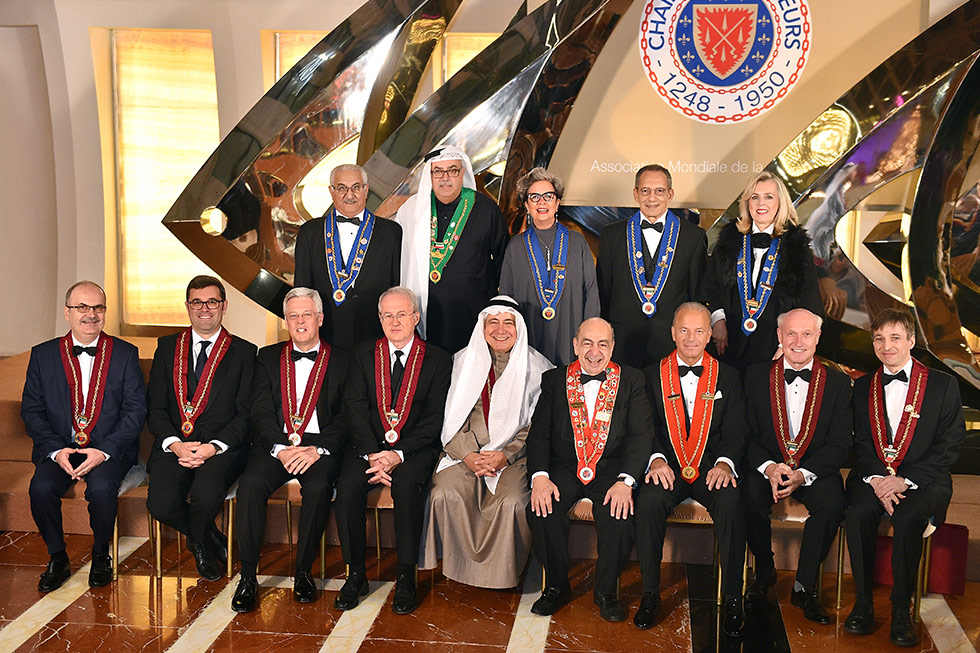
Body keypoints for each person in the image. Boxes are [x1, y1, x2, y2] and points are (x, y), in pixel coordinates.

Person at [843, 308, 965, 647]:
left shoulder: (943, 385)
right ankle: (863, 603)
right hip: (873, 477)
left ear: (911, 341)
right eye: (879, 339)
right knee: (858, 512)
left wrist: (904, 480)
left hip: (925, 480)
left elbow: (949, 444)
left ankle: (901, 608)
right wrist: (878, 480)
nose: (887, 346)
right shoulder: (862, 385)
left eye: (895, 338)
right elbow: (860, 442)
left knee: (909, 516)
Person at [526, 317, 655, 622]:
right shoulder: (554, 380)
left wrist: (626, 481)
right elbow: (539, 434)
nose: (594, 352)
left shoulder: (632, 380)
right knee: (541, 509)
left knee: (619, 514)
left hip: (612, 468)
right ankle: (556, 586)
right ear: (575, 345)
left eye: (602, 344)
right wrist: (540, 477)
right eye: (587, 343)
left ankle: (606, 592)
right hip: (566, 466)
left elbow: (641, 436)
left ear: (612, 347)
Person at [420, 295, 553, 588]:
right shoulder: (460, 362)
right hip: (463, 452)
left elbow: (539, 426)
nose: (500, 330)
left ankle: (503, 575)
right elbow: (447, 416)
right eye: (493, 322)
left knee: (512, 502)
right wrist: (468, 454)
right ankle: (456, 567)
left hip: (513, 457)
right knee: (445, 492)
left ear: (519, 328)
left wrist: (506, 454)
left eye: (508, 323)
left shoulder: (540, 368)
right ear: (482, 327)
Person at [21, 281, 146, 591]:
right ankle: (57, 557)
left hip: (107, 448)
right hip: (60, 447)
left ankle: (101, 554)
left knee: (102, 489)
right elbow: (32, 411)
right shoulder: (43, 355)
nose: (91, 314)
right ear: (67, 312)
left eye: (98, 307)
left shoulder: (125, 353)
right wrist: (55, 450)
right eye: (82, 307)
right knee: (40, 488)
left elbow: (135, 411)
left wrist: (103, 451)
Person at [334, 286, 452, 615]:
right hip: (368, 448)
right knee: (348, 486)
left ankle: (405, 577)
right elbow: (354, 406)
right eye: (387, 315)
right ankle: (355, 575)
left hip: (414, 450)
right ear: (379, 319)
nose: (395, 321)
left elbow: (435, 418)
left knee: (406, 485)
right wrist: (373, 453)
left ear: (416, 317)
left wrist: (397, 455)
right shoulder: (362, 354)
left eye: (401, 314)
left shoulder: (438, 359)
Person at [231, 287, 350, 612]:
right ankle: (248, 576)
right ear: (285, 321)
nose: (300, 322)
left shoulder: (343, 359)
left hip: (318, 446)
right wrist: (281, 449)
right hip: (277, 443)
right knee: (250, 484)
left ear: (320, 318)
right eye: (293, 316)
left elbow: (346, 416)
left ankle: (303, 572)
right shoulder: (267, 357)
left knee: (319, 487)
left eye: (306, 314)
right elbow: (260, 410)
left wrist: (318, 450)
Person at [634, 302, 747, 636]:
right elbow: (644, 428)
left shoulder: (730, 376)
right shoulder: (650, 374)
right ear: (673, 332)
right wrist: (655, 459)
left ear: (710, 334)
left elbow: (737, 431)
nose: (691, 338)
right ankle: (650, 594)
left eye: (699, 331)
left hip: (711, 469)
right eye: (684, 330)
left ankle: (732, 598)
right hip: (667, 467)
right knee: (649, 501)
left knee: (731, 503)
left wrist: (725, 464)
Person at [741, 308, 851, 623]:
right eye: (791, 333)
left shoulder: (838, 383)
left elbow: (840, 443)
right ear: (779, 336)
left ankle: (804, 585)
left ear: (818, 338)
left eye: (806, 334)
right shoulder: (755, 375)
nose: (798, 342)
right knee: (747, 495)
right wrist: (768, 467)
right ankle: (764, 571)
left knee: (832, 504)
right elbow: (743, 434)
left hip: (814, 469)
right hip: (768, 467)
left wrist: (803, 474)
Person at [146, 275, 256, 581]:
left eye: (212, 302)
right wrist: (175, 444)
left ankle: (199, 547)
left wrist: (212, 448)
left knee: (206, 496)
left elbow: (245, 415)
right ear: (187, 306)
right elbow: (156, 408)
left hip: (220, 448)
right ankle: (207, 538)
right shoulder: (167, 347)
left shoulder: (245, 352)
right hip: (175, 445)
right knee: (160, 504)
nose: (204, 308)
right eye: (197, 302)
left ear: (224, 306)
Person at [395, 146, 509, 354]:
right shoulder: (412, 211)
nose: (445, 178)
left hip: (474, 317)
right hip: (425, 317)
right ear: (429, 175)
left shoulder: (486, 210)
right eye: (438, 171)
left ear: (462, 172)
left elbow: (504, 262)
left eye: (452, 170)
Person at [707, 171, 823, 371]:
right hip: (727, 346)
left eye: (769, 197)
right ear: (747, 203)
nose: (761, 204)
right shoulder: (729, 240)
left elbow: (808, 303)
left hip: (773, 349)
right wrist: (717, 320)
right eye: (755, 197)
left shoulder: (797, 247)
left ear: (780, 202)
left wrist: (784, 346)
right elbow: (710, 287)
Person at [596, 164, 707, 370]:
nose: (652, 198)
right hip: (622, 344)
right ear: (635, 194)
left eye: (659, 191)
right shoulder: (612, 235)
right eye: (645, 191)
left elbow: (695, 296)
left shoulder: (693, 236)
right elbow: (604, 293)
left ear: (670, 194)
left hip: (670, 343)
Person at [294, 163, 402, 350]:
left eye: (356, 187)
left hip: (375, 337)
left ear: (366, 190)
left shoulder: (391, 232)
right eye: (342, 188)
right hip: (325, 338)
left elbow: (396, 287)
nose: (349, 195)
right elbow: (302, 291)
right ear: (331, 191)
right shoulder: (309, 232)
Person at [499, 167, 599, 365]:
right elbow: (506, 297)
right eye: (534, 197)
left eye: (548, 196)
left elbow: (591, 291)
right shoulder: (515, 246)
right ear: (526, 205)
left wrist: (589, 338)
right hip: (528, 338)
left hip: (572, 337)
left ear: (558, 202)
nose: (542, 202)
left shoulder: (577, 241)